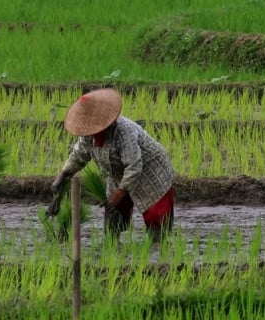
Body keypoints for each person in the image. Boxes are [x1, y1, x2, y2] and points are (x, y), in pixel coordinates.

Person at [49, 88, 175, 242]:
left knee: (156, 217)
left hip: (151, 172)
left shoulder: (124, 131)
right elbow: (78, 155)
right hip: (118, 173)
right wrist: (63, 175)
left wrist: (120, 192)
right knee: (113, 214)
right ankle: (112, 248)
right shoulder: (88, 135)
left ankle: (157, 253)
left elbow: (134, 166)